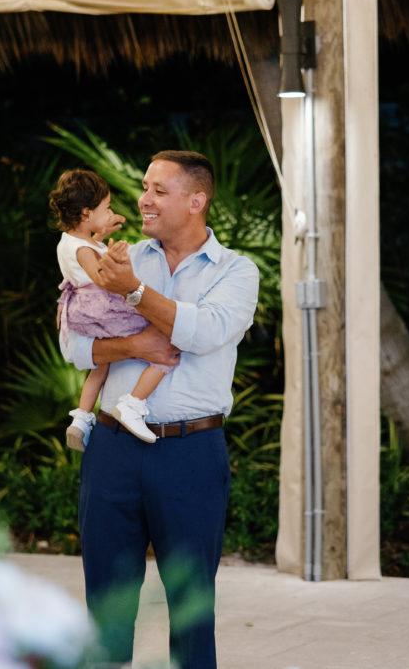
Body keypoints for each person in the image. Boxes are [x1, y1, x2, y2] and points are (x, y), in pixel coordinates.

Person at [60, 150, 259, 669]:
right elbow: (73, 345)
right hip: (113, 452)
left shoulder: (236, 271)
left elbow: (205, 332)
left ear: (197, 201)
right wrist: (132, 347)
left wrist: (135, 293)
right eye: (144, 187)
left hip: (191, 452)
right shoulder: (115, 255)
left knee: (192, 611)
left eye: (158, 190)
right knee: (106, 604)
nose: (143, 199)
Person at [49, 169, 176, 450]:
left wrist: (102, 231)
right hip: (103, 307)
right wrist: (116, 259)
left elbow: (87, 249)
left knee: (101, 367)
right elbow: (101, 277)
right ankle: (133, 404)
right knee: (167, 340)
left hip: (87, 311)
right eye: (106, 208)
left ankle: (81, 418)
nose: (111, 212)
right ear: (85, 213)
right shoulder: (84, 250)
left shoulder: (74, 241)